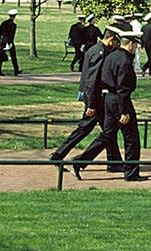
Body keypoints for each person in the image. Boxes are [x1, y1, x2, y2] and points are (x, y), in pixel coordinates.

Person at [71, 26, 145, 182]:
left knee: (107, 135)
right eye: (136, 45)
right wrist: (124, 111)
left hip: (108, 100)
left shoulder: (111, 56)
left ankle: (80, 162)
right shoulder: (124, 61)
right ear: (130, 44)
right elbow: (123, 88)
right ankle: (131, 173)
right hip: (120, 102)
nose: (136, 49)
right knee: (131, 138)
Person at [49, 25, 124, 168]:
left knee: (108, 131)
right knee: (86, 129)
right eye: (116, 42)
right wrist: (91, 104)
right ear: (112, 39)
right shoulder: (100, 53)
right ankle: (58, 155)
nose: (116, 46)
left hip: (95, 98)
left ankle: (114, 162)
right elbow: (92, 80)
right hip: (96, 99)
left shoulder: (94, 49)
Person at [0, 9, 22, 76]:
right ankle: (16, 70)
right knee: (13, 56)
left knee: (1, 56)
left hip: (3, 41)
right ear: (14, 16)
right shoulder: (13, 25)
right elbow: (11, 35)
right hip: (9, 41)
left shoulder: (3, 23)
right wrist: (10, 43)